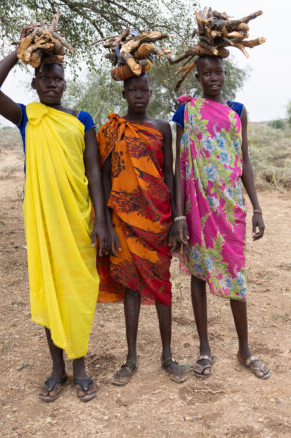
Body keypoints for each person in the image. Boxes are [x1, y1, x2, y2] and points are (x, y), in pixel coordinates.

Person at [0, 34, 109, 403]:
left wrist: (100, 220)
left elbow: (94, 172)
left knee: (79, 290)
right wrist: (19, 53)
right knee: (50, 289)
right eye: (46, 79)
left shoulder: (81, 119)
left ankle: (81, 366)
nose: (53, 84)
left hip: (78, 219)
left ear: (65, 84)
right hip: (43, 221)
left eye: (59, 79)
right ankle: (57, 369)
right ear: (35, 83)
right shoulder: (27, 116)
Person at [171, 55, 271, 380]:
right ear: (198, 77)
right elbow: (179, 164)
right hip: (196, 206)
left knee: (235, 275)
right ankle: (204, 348)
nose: (213, 77)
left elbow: (244, 160)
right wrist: (178, 215)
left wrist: (256, 207)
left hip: (229, 207)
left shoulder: (238, 111)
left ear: (225, 74)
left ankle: (245, 349)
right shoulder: (186, 111)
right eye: (206, 73)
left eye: (218, 72)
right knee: (198, 275)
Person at [96, 73, 188, 385]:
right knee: (131, 286)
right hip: (124, 219)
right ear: (124, 93)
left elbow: (170, 174)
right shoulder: (112, 130)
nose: (139, 94)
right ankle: (131, 357)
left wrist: (177, 219)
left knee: (162, 285)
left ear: (151, 92)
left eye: (144, 89)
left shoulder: (163, 128)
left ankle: (167, 354)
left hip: (157, 219)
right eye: (133, 90)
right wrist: (106, 223)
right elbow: (106, 176)